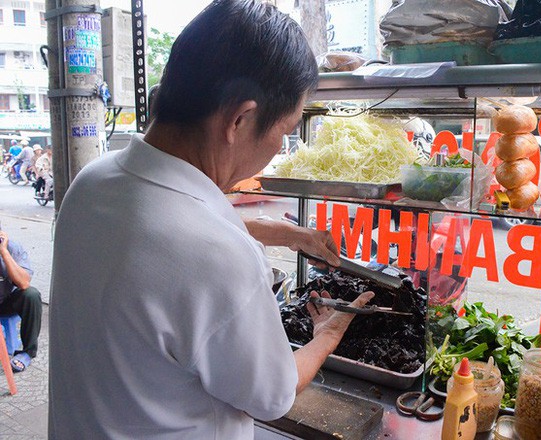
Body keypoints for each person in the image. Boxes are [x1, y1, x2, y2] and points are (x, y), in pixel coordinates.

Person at [49, 1, 373, 439]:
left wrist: (285, 233)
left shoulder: (92, 184)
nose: (281, 147)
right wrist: (328, 334)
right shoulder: (217, 257)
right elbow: (273, 395)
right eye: (287, 129)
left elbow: (162, 239)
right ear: (240, 119)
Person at [0, 226, 43, 372]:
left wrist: (4, 253)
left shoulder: (13, 248)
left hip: (5, 301)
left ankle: (27, 353)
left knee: (31, 295)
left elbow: (24, 283)